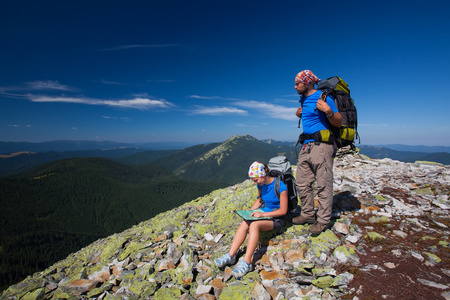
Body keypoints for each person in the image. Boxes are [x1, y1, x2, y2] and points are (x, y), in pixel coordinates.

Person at [214, 161, 288, 278]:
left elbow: (283, 211)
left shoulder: (281, 186)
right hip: (264, 213)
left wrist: (262, 215)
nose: (255, 183)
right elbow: (260, 200)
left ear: (263, 175)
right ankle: (231, 255)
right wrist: (249, 212)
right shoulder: (261, 184)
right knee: (245, 221)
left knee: (254, 225)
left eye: (256, 180)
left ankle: (247, 262)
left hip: (277, 218)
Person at [292, 70, 342, 235]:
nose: (295, 86)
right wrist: (298, 113)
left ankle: (323, 220)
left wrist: (328, 111)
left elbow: (339, 121)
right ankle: (307, 214)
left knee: (323, 184)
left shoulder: (324, 97)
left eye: (297, 83)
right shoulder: (304, 99)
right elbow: (307, 117)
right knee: (301, 182)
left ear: (307, 83)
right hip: (306, 146)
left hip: (322, 146)